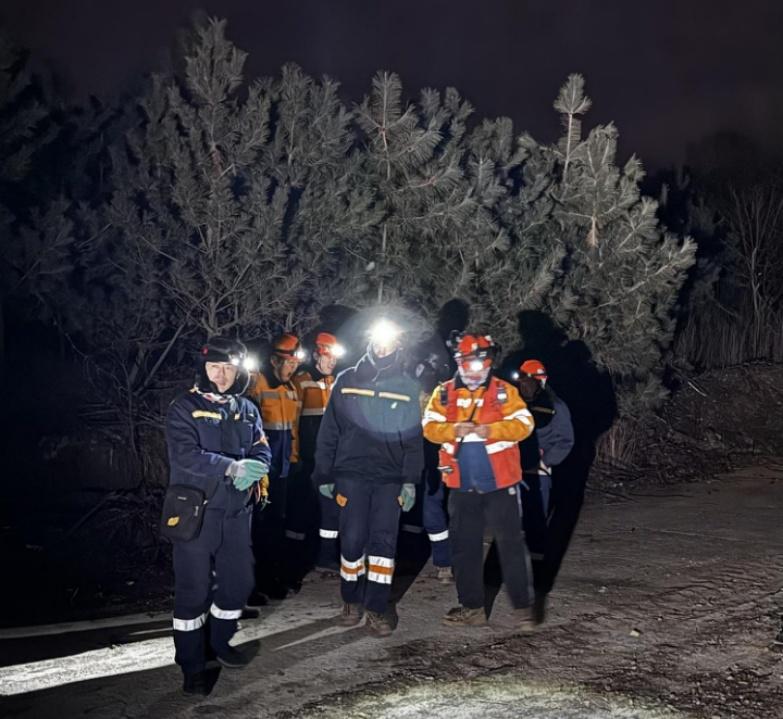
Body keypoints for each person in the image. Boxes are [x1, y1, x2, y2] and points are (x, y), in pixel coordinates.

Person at [165, 337, 271, 695]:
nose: (222, 375)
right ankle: (192, 666)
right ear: (203, 368)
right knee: (192, 593)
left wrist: (258, 465)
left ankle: (220, 643)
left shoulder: (247, 409)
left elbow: (261, 447)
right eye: (215, 367)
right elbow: (184, 456)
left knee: (238, 583)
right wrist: (232, 466)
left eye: (228, 368)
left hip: (237, 512)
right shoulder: (185, 407)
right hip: (196, 512)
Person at [312, 318, 424, 636]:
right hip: (351, 475)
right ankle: (351, 599)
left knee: (384, 545)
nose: (382, 346)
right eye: (378, 340)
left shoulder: (406, 385)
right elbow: (328, 432)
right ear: (370, 342)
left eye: (389, 341)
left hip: (389, 478)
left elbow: (413, 440)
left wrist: (409, 481)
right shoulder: (346, 380)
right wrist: (324, 473)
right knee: (352, 540)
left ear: (397, 345)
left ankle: (376, 607)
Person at [422, 332, 537, 630]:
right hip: (461, 484)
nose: (474, 370)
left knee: (511, 544)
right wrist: (452, 430)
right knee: (464, 547)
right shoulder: (444, 393)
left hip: (501, 483)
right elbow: (429, 426)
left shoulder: (503, 392)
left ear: (488, 363)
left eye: (479, 364)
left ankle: (523, 608)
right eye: (467, 363)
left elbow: (525, 424)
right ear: (459, 363)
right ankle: (472, 608)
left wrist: (494, 430)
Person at [515, 359, 574, 619]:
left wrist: (545, 461)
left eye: (532, 378)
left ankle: (537, 583)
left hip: (539, 476)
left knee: (536, 529)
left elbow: (565, 441)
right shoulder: (516, 404)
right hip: (515, 476)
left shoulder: (556, 407)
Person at [246, 333, 303, 600]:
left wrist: (293, 461)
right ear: (273, 360)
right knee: (255, 528)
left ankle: (271, 579)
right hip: (259, 473)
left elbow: (292, 430)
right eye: (286, 363)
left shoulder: (290, 389)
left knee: (275, 527)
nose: (290, 368)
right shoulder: (256, 384)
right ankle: (250, 585)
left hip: (281, 472)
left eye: (294, 364)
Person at [292, 332, 343, 573]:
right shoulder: (301, 381)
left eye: (334, 358)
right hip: (307, 457)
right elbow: (293, 421)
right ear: (315, 355)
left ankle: (326, 555)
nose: (331, 362)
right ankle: (297, 559)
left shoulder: (334, 383)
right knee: (303, 507)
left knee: (329, 508)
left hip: (329, 459)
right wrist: (296, 455)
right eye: (327, 357)